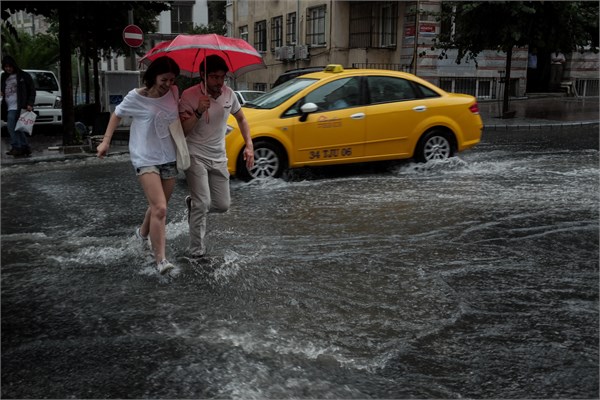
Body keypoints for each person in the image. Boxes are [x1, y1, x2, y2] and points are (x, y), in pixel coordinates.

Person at [96, 56, 181, 275]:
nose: (168, 84)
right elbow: (116, 115)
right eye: (164, 79)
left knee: (157, 207)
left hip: (169, 156)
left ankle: (142, 234)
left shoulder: (174, 92)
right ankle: (161, 260)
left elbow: (174, 117)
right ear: (153, 76)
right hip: (145, 158)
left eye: (172, 80)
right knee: (160, 208)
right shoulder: (136, 97)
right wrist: (106, 141)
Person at [178, 55, 254, 258]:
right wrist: (198, 111)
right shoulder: (189, 96)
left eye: (222, 77)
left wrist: (249, 145)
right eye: (213, 77)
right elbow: (183, 131)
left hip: (219, 156)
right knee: (202, 203)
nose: (219, 82)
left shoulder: (229, 95)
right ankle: (196, 253)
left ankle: (193, 205)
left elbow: (242, 119)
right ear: (203, 76)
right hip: (195, 154)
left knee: (222, 205)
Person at [1, 55, 35, 157]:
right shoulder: (3, 76)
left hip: (19, 106)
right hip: (7, 105)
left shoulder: (24, 76)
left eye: (9, 66)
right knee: (18, 127)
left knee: (11, 127)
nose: (8, 68)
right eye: (5, 66)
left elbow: (32, 90)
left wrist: (30, 103)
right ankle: (25, 147)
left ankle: (17, 147)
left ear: (14, 65)